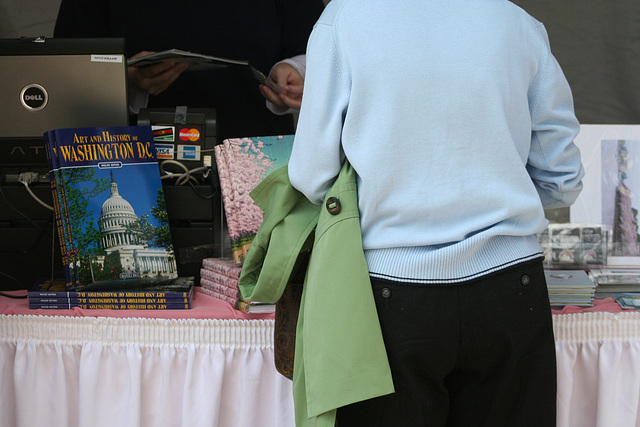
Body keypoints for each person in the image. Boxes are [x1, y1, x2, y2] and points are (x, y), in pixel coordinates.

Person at [288, 0, 585, 426]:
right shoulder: (516, 23)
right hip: (511, 288)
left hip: (390, 295)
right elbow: (563, 179)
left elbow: (313, 174)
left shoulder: (346, 19)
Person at [53, 0, 325, 141]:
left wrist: (296, 70)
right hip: (132, 162)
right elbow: (63, 70)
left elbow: (319, 46)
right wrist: (124, 80)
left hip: (253, 158)